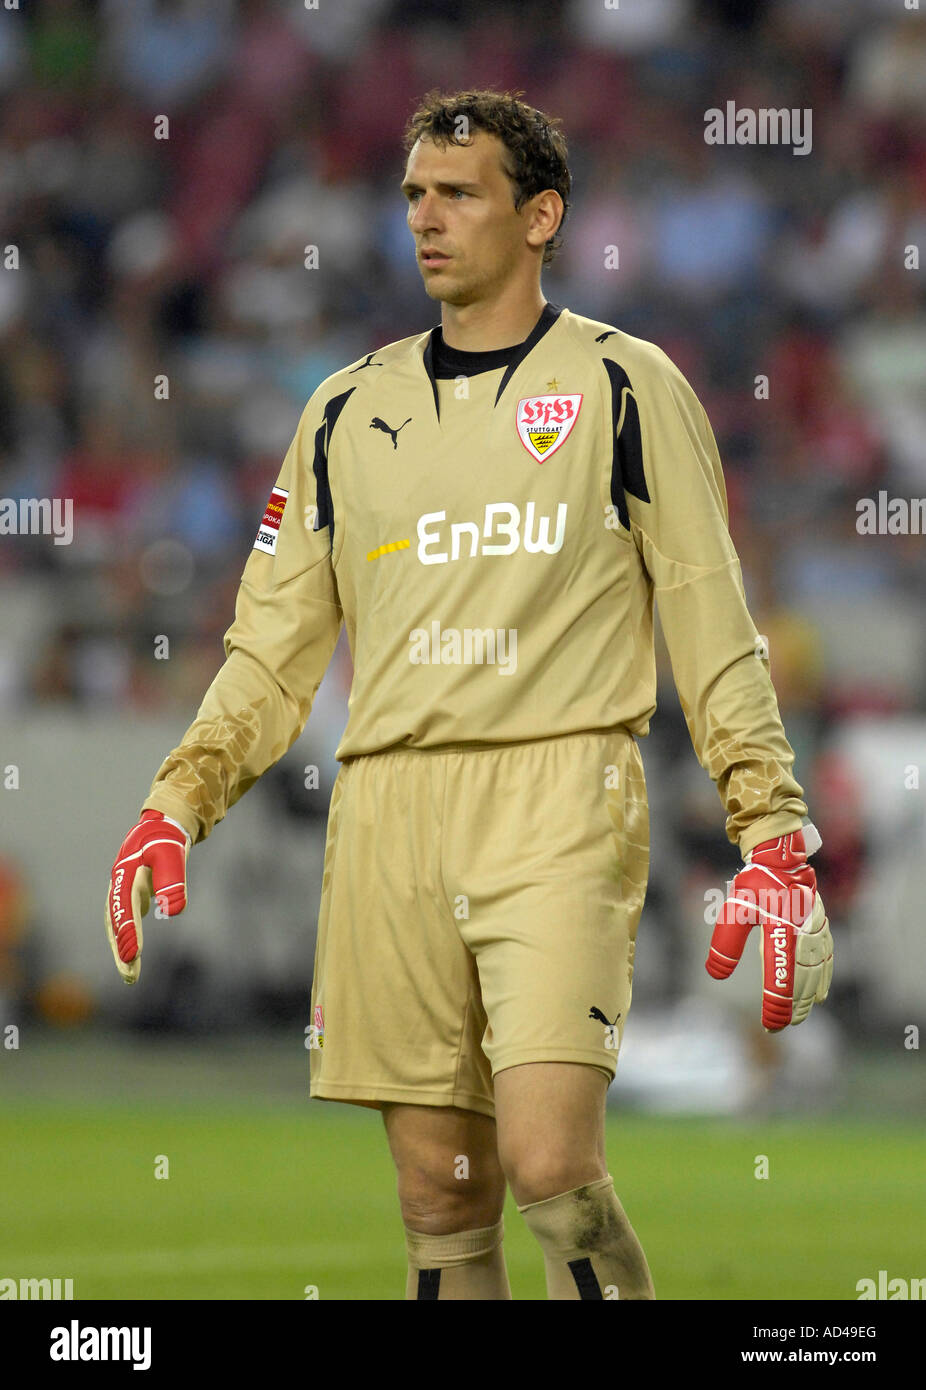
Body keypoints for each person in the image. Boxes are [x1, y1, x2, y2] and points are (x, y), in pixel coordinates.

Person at [105, 88, 833, 1301]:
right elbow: (271, 644)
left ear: (539, 214)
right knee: (441, 1198)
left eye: (458, 194)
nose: (424, 219)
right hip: (386, 811)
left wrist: (772, 831)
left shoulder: (623, 385)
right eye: (411, 196)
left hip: (557, 793)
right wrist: (175, 802)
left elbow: (710, 614)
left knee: (552, 1169)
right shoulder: (343, 409)